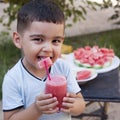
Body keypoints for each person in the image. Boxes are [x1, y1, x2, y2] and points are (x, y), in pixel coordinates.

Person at [2, 0, 85, 120]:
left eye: (56, 41)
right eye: (38, 39)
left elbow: (81, 104)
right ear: (18, 40)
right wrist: (36, 109)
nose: (48, 48)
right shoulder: (14, 79)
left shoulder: (63, 68)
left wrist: (73, 105)